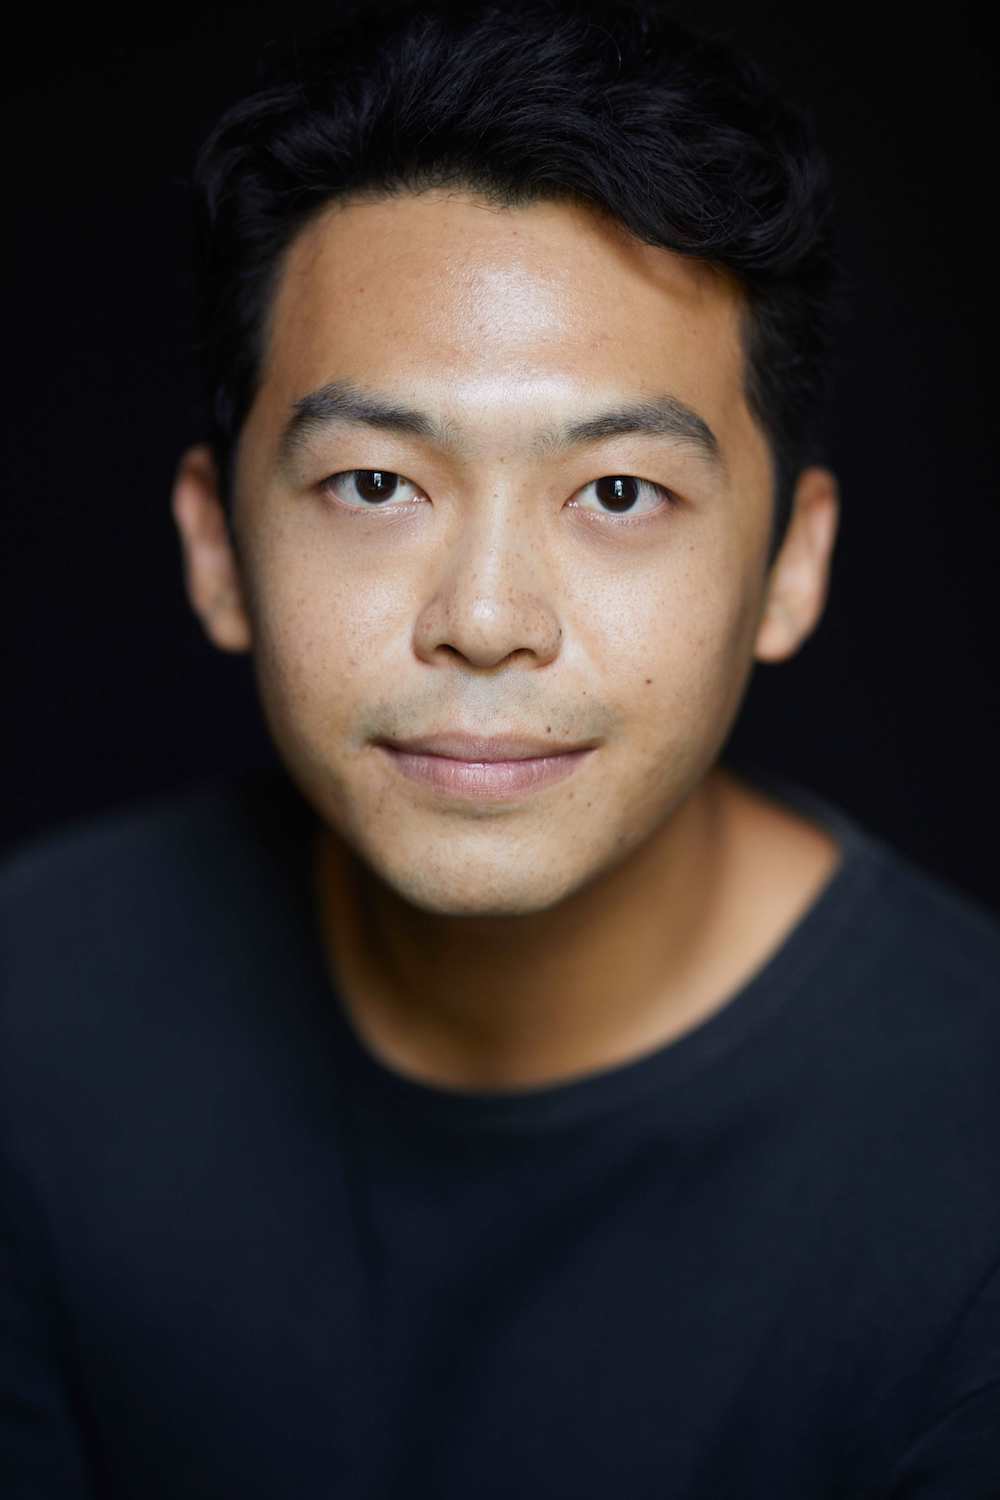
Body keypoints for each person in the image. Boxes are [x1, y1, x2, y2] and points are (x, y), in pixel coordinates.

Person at [2, 0, 998, 1494]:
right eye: (374, 483)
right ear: (216, 549)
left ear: (792, 564)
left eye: (615, 494)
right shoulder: (35, 1012)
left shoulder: (970, 1186)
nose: (484, 619)